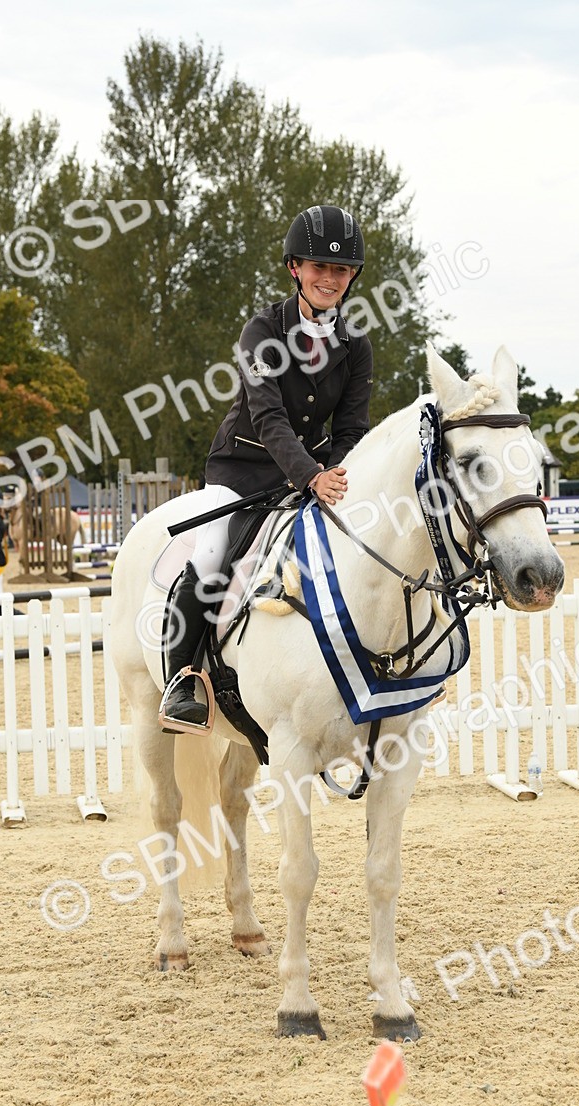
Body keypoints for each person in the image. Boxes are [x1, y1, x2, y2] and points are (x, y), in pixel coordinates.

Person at [160, 204, 373, 729]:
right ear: (294, 269)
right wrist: (312, 476)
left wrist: (337, 474)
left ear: (351, 279)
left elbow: (350, 430)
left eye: (340, 270)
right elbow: (269, 416)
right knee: (213, 555)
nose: (329, 278)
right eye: (319, 267)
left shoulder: (357, 345)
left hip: (311, 477)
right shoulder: (262, 331)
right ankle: (181, 678)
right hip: (241, 469)